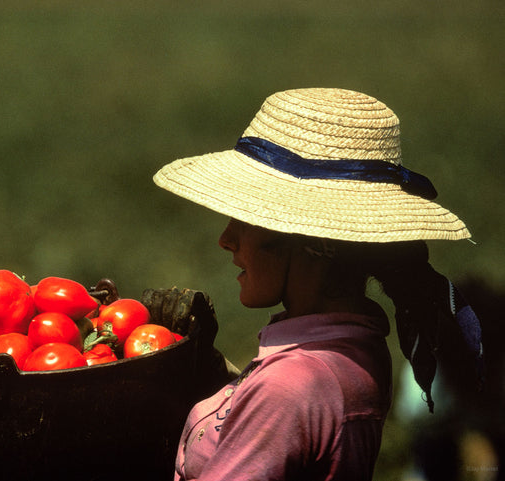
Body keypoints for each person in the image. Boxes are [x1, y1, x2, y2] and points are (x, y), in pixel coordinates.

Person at [150, 88, 485, 481]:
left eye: (248, 218)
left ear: (313, 243)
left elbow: (282, 404)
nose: (226, 239)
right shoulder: (353, 346)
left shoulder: (292, 385)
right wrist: (204, 363)